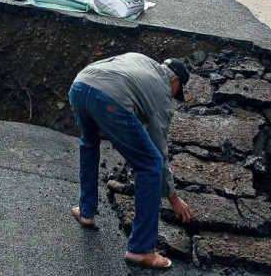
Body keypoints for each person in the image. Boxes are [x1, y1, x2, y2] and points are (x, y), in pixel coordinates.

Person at [68, 53, 195, 270]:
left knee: (89, 142)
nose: (173, 97)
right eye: (177, 92)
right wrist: (173, 197)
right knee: (151, 165)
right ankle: (141, 250)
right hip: (108, 99)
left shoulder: (141, 61)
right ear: (174, 81)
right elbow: (159, 150)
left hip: (80, 86)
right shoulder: (163, 94)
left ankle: (86, 212)